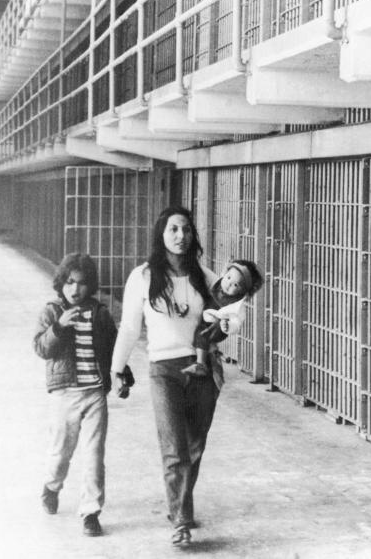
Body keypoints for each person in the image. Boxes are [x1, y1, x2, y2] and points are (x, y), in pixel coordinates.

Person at [110, 206, 240, 548]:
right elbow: (128, 326)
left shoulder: (206, 276)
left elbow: (229, 315)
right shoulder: (143, 276)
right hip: (164, 370)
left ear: (193, 235)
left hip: (201, 369)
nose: (180, 236)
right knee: (174, 448)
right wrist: (117, 366)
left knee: (195, 446)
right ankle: (181, 519)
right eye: (173, 229)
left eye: (186, 229)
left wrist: (227, 325)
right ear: (161, 234)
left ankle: (180, 504)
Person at [31, 252, 119, 538]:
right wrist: (59, 328)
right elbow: (41, 348)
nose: (75, 289)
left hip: (94, 392)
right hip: (64, 393)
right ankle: (51, 486)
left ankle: (91, 512)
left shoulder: (100, 313)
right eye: (69, 282)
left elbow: (113, 348)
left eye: (82, 283)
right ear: (61, 283)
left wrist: (122, 373)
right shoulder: (52, 312)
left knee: (94, 454)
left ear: (89, 285)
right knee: (61, 451)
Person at [182, 259, 264, 378]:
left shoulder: (237, 305)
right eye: (229, 277)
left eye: (236, 285)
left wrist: (228, 326)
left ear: (243, 291)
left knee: (202, 334)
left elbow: (237, 323)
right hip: (207, 317)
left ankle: (200, 364)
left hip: (220, 327)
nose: (229, 284)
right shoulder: (218, 284)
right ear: (225, 274)